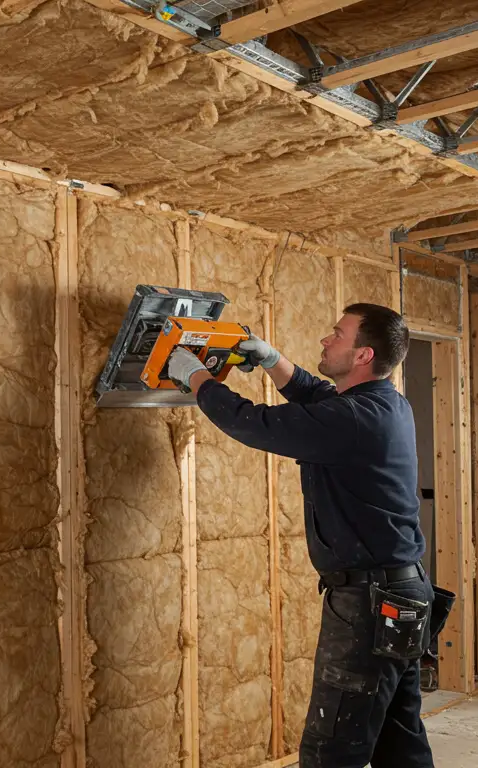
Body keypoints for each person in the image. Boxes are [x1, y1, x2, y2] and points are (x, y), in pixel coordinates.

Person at [167, 303, 437, 768]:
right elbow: (320, 398)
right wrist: (273, 360)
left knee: (332, 748)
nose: (325, 340)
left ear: (362, 355)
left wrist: (197, 378)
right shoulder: (385, 403)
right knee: (398, 736)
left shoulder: (352, 419)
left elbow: (254, 423)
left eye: (338, 334)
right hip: (403, 593)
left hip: (372, 602)